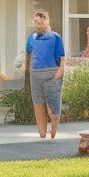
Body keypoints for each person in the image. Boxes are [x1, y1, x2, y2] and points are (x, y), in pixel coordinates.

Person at [24, 10, 66, 139]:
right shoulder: (32, 38)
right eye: (36, 22)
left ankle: (53, 133)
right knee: (38, 104)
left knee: (53, 107)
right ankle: (42, 134)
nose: (38, 25)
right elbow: (28, 53)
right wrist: (27, 67)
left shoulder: (55, 37)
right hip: (35, 75)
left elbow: (62, 58)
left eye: (41, 22)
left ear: (47, 22)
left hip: (52, 74)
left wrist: (59, 73)